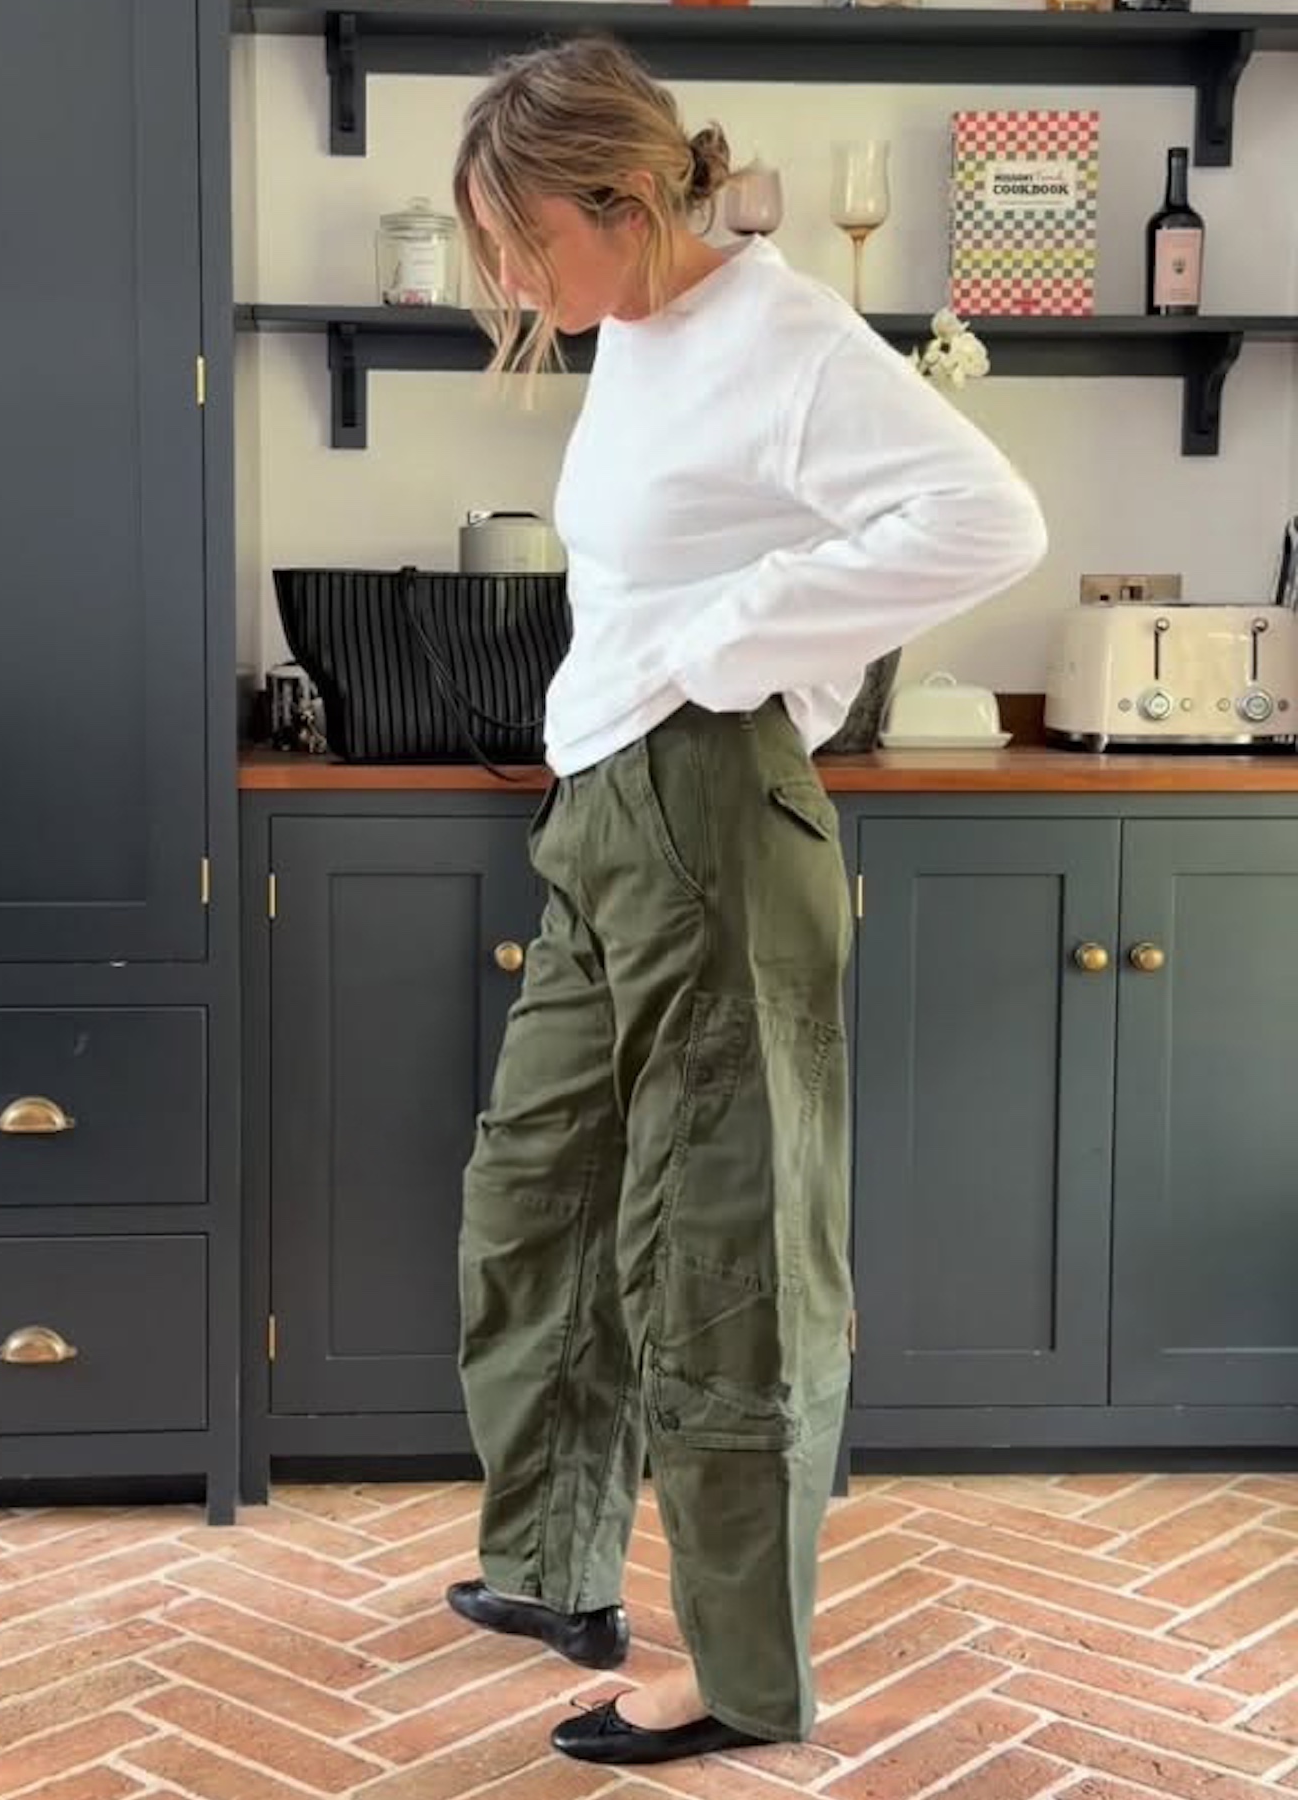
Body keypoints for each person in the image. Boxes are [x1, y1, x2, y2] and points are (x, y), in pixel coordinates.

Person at [443, 35, 1047, 1769]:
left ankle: (741, 1673)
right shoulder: (640, 334)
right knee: (536, 1195)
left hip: (707, 806)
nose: (510, 282)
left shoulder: (786, 338)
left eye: (525, 241)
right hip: (604, 813)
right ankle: (557, 1562)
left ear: (628, 198)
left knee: (726, 1247)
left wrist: (736, 642)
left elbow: (987, 518)